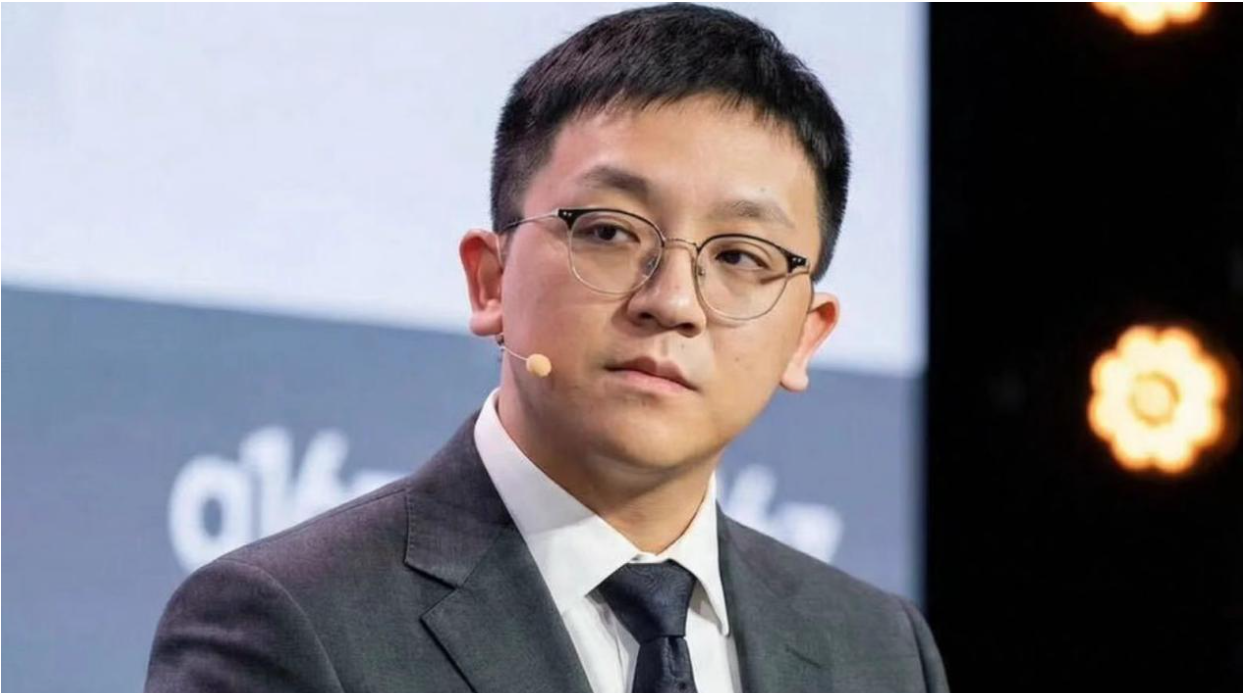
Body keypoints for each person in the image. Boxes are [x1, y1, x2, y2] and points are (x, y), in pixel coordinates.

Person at [144, 4, 949, 692]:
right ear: (490, 280)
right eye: (609, 232)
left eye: (740, 255)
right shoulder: (291, 619)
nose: (672, 302)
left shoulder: (878, 650)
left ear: (805, 335)